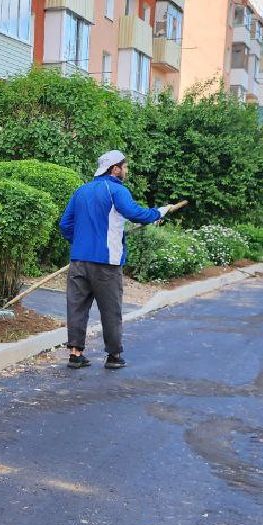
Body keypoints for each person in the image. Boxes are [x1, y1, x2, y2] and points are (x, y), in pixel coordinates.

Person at [58, 150, 186, 371]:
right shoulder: (117, 190)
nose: (126, 171)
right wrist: (159, 212)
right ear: (114, 169)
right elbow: (135, 213)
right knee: (110, 309)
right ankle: (113, 356)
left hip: (79, 261)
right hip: (107, 263)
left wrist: (79, 242)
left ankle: (75, 354)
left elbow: (65, 225)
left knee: (76, 307)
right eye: (124, 167)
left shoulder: (81, 191)